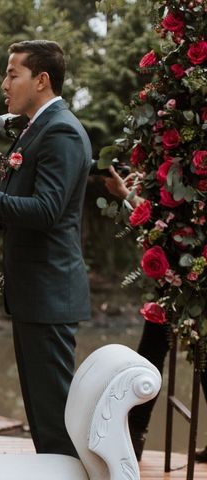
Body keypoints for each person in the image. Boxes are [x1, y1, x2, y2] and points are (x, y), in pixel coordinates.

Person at [0, 40, 92, 457]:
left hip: (49, 291)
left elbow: (47, 211)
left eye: (12, 73)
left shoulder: (60, 129)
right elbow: (28, 205)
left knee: (56, 416)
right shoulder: (35, 126)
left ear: (41, 80)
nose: (4, 83)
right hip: (33, 293)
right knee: (43, 413)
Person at [104, 166, 207, 462]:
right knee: (160, 348)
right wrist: (132, 193)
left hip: (191, 270)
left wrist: (126, 194)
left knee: (153, 349)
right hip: (181, 270)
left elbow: (169, 222)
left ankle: (134, 436)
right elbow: (166, 221)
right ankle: (134, 434)